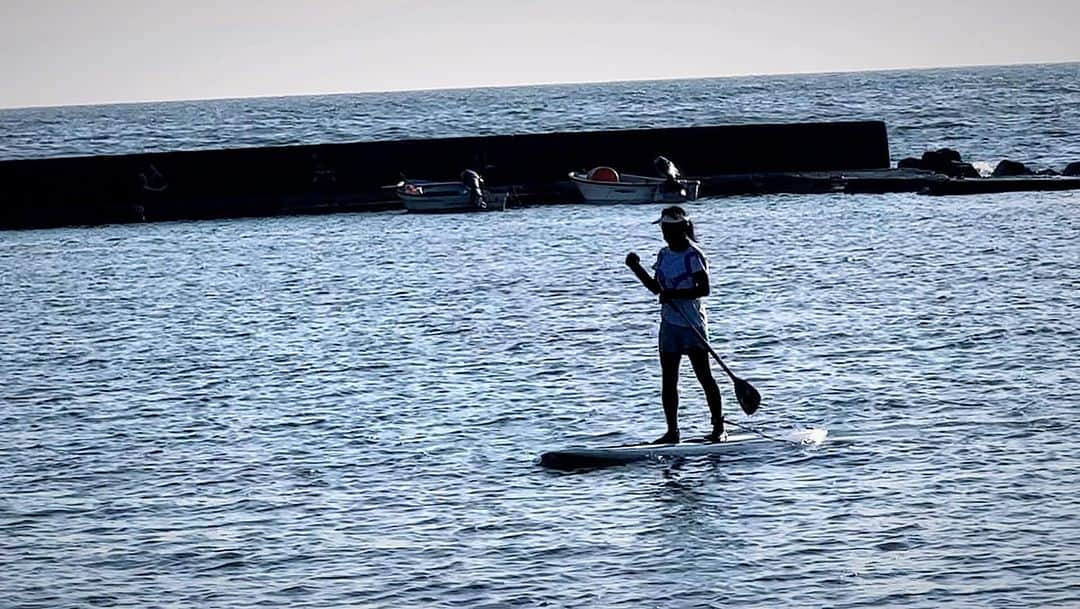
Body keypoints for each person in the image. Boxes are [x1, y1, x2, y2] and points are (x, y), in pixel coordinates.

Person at [625, 206, 724, 444]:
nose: (665, 233)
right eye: (663, 229)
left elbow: (704, 289)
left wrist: (674, 294)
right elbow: (657, 289)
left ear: (682, 229)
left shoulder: (693, 255)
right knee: (669, 380)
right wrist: (635, 268)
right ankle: (672, 432)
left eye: (669, 228)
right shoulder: (663, 254)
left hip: (692, 324)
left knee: (704, 376)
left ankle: (718, 428)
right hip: (669, 324)